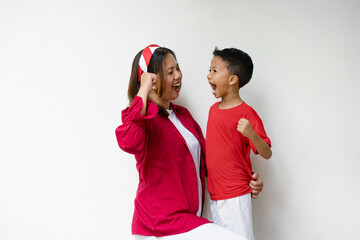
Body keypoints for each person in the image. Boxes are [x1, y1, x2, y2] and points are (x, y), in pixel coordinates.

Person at [115, 44, 264, 240]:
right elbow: (129, 142)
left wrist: (245, 180)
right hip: (158, 225)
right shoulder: (143, 121)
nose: (178, 75)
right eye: (170, 72)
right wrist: (143, 90)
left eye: (178, 68)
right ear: (151, 79)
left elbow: (210, 162)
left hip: (187, 221)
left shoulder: (183, 116)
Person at [206, 47, 272, 240]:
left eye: (214, 71)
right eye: (209, 70)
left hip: (235, 196)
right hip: (215, 195)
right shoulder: (212, 110)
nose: (209, 75)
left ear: (232, 80)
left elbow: (267, 152)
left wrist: (252, 134)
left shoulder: (246, 113)